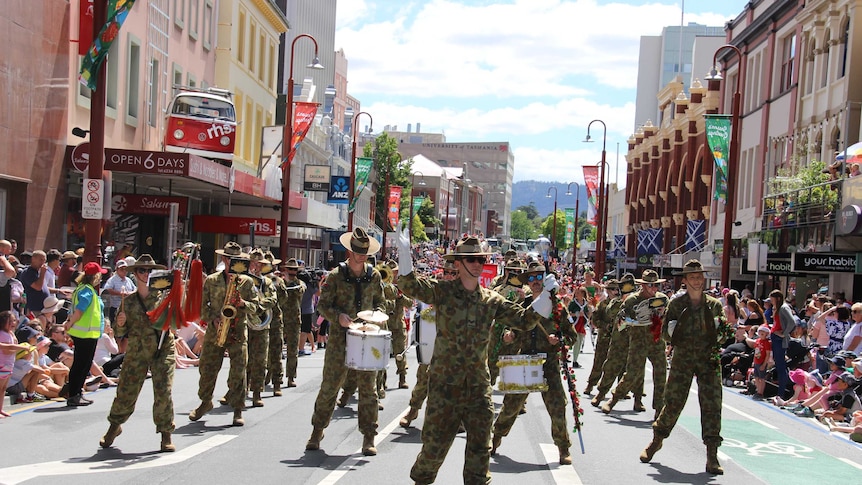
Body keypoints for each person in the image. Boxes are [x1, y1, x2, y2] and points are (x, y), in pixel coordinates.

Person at [395, 230, 550, 484]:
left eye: (481, 259)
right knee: (433, 451)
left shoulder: (490, 300)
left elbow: (524, 321)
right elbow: (409, 285)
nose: (478, 264)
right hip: (446, 387)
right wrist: (403, 255)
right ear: (458, 263)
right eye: (472, 260)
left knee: (480, 452)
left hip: (478, 388)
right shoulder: (443, 292)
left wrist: (543, 297)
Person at [640, 259, 733, 475]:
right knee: (673, 401)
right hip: (683, 358)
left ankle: (711, 455)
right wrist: (672, 332)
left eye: (700, 277)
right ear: (685, 280)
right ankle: (657, 440)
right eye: (693, 277)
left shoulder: (714, 304)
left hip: (709, 359)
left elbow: (723, 334)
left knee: (712, 405)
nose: (697, 280)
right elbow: (664, 334)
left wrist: (721, 334)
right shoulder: (677, 304)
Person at [306, 227, 386, 456]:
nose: (361, 256)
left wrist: (377, 316)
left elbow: (381, 302)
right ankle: (317, 430)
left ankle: (369, 436)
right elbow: (322, 305)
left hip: (367, 338)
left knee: (369, 390)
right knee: (330, 386)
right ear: (349, 252)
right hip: (341, 339)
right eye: (358, 252)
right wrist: (337, 317)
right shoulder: (335, 276)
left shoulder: (375, 275)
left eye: (365, 252)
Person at [490, 265, 577, 465]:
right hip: (526, 360)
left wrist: (560, 339)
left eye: (539, 276)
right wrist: (510, 336)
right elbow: (516, 328)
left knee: (557, 407)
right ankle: (495, 439)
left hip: (549, 361)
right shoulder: (524, 305)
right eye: (531, 278)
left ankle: (563, 448)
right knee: (511, 405)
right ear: (527, 282)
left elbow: (571, 335)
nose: (535, 281)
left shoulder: (557, 307)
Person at [100, 254, 178, 452]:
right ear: (135, 273)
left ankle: (165, 433)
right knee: (127, 390)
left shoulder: (165, 297)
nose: (146, 274)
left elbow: (176, 320)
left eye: (150, 271)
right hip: (137, 350)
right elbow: (119, 333)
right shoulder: (129, 301)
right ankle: (114, 426)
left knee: (163, 391)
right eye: (142, 270)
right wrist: (120, 324)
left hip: (162, 348)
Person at [188, 242, 260, 427]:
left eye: (237, 260)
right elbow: (203, 307)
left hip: (237, 331)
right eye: (229, 259)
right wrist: (213, 318)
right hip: (215, 332)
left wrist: (243, 303)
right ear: (224, 259)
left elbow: (257, 307)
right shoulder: (211, 280)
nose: (232, 263)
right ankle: (205, 401)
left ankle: (237, 409)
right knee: (207, 369)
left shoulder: (248, 282)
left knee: (238, 371)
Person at [399, 260, 459, 428]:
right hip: (433, 346)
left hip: (454, 349)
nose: (448, 276)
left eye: (453, 273)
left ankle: (457, 418)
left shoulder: (463, 294)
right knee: (423, 380)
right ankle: (413, 410)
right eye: (446, 272)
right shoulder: (435, 290)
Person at [600, 269, 668, 417]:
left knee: (661, 373)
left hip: (656, 342)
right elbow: (620, 322)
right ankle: (613, 399)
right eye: (651, 285)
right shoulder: (632, 300)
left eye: (656, 285)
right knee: (632, 374)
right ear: (643, 285)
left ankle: (659, 408)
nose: (654, 289)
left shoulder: (662, 299)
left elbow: (667, 320)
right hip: (638, 341)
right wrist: (632, 321)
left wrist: (662, 315)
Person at [64, 261, 108, 407]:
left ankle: (76, 393)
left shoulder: (82, 289)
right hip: (85, 334)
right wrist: (70, 323)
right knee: (81, 364)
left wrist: (69, 322)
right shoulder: (87, 291)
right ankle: (74, 394)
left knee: (82, 364)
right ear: (94, 276)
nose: (100, 277)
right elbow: (79, 310)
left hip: (86, 333)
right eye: (99, 275)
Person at [245, 249, 277, 408]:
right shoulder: (243, 280)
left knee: (260, 360)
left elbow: (272, 300)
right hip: (244, 323)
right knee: (242, 359)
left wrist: (258, 306)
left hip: (261, 323)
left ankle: (257, 393)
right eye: (253, 263)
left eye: (259, 264)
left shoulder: (268, 283)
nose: (256, 267)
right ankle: (239, 390)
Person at [583, 279, 620, 395]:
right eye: (613, 289)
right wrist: (606, 325)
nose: (616, 292)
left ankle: (620, 389)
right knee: (599, 362)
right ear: (608, 291)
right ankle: (591, 384)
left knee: (620, 363)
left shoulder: (622, 304)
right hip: (604, 337)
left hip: (619, 338)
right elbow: (595, 320)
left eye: (617, 289)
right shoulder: (603, 304)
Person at [279, 258, 306, 388]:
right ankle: (273, 375)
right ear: (285, 269)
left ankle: (290, 377)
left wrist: (288, 282)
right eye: (290, 269)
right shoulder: (279, 283)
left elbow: (299, 292)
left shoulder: (300, 283)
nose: (292, 272)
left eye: (294, 270)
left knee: (292, 350)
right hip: (280, 319)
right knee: (275, 349)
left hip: (294, 320)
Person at [770, 289, 798, 400]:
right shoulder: (778, 308)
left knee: (781, 366)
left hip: (779, 339)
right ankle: (780, 392)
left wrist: (784, 333)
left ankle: (781, 393)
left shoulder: (783, 308)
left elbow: (792, 322)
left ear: (777, 298)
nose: (771, 301)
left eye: (772, 299)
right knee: (779, 365)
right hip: (775, 337)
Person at [103, 259, 136, 354]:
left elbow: (135, 289)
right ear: (117, 269)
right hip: (116, 309)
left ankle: (122, 353)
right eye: (122, 269)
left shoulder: (129, 280)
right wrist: (119, 293)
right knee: (117, 332)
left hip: (127, 309)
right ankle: (116, 352)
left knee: (127, 334)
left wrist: (129, 293)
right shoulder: (112, 280)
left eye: (126, 269)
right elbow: (107, 290)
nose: (124, 271)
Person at [19, 250, 51, 315]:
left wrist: (58, 291)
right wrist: (42, 273)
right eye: (41, 260)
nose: (43, 263)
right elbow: (38, 287)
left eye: (44, 260)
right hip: (34, 309)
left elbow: (43, 287)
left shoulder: (38, 272)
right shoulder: (28, 272)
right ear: (33, 259)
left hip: (43, 308)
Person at [748, 325, 772, 400]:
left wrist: (764, 364)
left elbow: (767, 354)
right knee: (756, 377)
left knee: (762, 378)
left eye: (763, 333)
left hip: (762, 362)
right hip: (756, 361)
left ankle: (761, 392)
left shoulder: (767, 343)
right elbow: (756, 351)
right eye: (760, 333)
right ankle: (758, 390)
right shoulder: (758, 341)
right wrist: (753, 361)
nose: (761, 335)